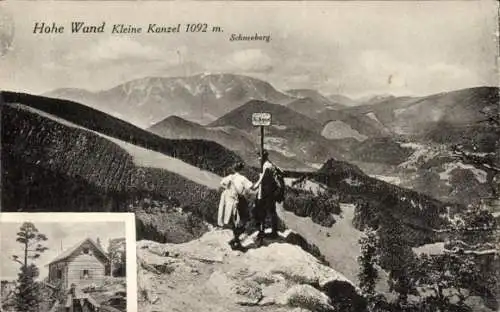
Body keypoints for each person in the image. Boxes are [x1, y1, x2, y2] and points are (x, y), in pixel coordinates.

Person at [217, 162, 254, 250]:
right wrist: (260, 180)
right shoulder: (243, 178)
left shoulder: (230, 177)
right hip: (240, 201)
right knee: (244, 219)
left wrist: (228, 190)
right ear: (242, 169)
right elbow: (253, 187)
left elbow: (221, 183)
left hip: (230, 201)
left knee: (234, 221)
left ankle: (235, 239)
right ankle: (237, 241)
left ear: (234, 169)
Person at [251, 150, 280, 245]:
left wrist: (254, 186)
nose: (258, 158)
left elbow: (262, 180)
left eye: (259, 156)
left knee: (260, 212)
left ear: (263, 157)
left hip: (266, 194)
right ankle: (273, 231)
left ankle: (262, 232)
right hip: (269, 193)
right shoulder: (269, 165)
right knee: (271, 212)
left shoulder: (266, 166)